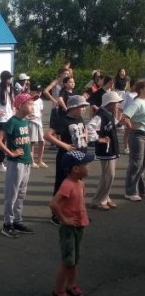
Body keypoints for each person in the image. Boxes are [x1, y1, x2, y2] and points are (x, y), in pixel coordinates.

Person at [48, 150, 94, 296]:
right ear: (75, 169)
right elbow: (54, 204)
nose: (88, 168)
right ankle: (58, 291)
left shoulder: (80, 183)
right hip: (69, 229)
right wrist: (64, 219)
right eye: (85, 165)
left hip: (79, 225)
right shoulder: (67, 185)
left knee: (74, 260)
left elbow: (79, 203)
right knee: (68, 261)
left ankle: (71, 286)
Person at [44, 95, 89, 224]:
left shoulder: (79, 118)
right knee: (62, 184)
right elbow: (47, 135)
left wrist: (86, 139)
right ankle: (56, 214)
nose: (84, 109)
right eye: (81, 107)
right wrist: (64, 145)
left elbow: (84, 129)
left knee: (77, 184)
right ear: (73, 107)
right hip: (66, 157)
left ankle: (74, 211)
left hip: (80, 154)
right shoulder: (63, 120)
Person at [0, 93, 35, 238]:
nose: (32, 106)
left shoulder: (25, 121)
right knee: (12, 194)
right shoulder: (12, 121)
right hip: (16, 163)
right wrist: (10, 153)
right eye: (29, 103)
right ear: (20, 105)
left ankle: (17, 220)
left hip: (26, 161)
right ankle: (7, 224)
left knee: (21, 194)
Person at [87, 91, 122, 210]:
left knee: (109, 175)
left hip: (111, 148)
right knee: (108, 175)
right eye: (116, 102)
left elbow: (113, 124)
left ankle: (105, 197)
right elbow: (89, 127)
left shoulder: (109, 113)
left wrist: (121, 122)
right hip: (105, 149)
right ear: (110, 103)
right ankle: (97, 201)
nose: (118, 104)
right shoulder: (101, 115)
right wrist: (98, 139)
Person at [120, 80, 145, 201]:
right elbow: (124, 117)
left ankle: (141, 189)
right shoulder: (137, 102)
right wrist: (132, 126)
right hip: (138, 135)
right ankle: (130, 192)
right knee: (136, 163)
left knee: (142, 164)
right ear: (141, 89)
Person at [0, 71, 15, 172]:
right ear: (4, 79)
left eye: (10, 78)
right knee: (1, 141)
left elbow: (12, 104)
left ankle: (11, 159)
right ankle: (0, 163)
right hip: (2, 120)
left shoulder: (10, 89)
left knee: (12, 140)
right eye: (8, 78)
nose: (10, 80)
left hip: (11, 118)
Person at [29, 85, 47, 168]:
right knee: (32, 142)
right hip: (31, 122)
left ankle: (40, 160)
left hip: (39, 122)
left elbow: (41, 110)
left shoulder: (40, 100)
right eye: (37, 91)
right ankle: (31, 161)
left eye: (40, 91)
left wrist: (40, 116)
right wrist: (28, 116)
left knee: (42, 141)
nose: (39, 93)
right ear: (32, 91)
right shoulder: (28, 99)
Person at [120, 78, 137, 154]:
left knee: (135, 132)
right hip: (128, 115)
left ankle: (134, 147)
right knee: (127, 132)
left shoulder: (139, 94)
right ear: (132, 85)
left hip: (136, 115)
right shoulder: (127, 94)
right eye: (135, 85)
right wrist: (122, 116)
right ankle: (126, 147)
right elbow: (122, 106)